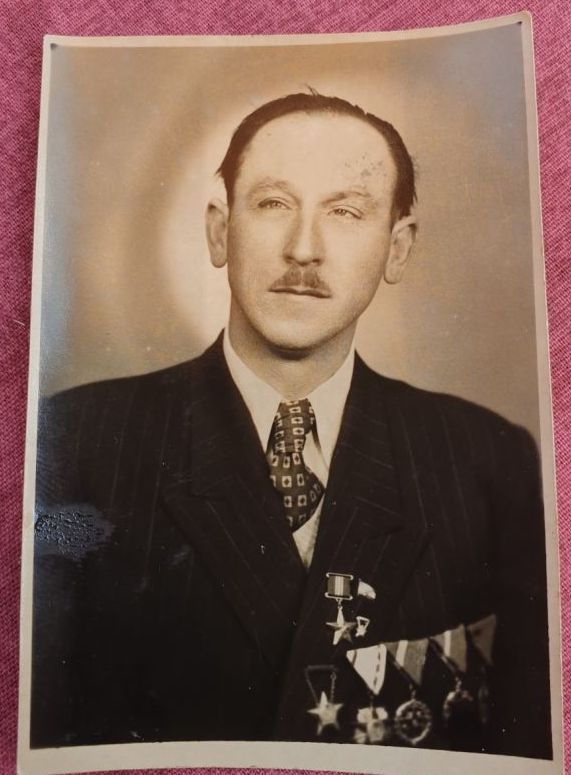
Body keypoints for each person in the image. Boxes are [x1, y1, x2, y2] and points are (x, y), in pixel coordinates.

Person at [31, 91, 551, 758]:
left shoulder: (487, 461)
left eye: (345, 211)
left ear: (397, 248)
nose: (304, 249)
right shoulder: (73, 444)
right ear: (220, 230)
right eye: (274, 203)